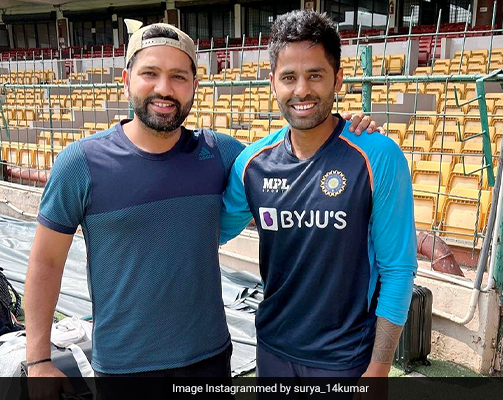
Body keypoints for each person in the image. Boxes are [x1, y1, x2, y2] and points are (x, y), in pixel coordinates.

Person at [24, 20, 378, 394]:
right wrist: (39, 361)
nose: (164, 88)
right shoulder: (80, 164)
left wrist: (347, 130)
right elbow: (46, 262)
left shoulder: (221, 154)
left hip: (208, 361)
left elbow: (292, 164)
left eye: (178, 77)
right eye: (150, 74)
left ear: (195, 85)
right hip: (123, 367)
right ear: (126, 81)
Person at [221, 10, 418, 380]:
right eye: (289, 77)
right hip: (273, 351)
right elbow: (210, 231)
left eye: (315, 75)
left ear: (337, 79)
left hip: (346, 359)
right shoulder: (252, 164)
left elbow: (398, 269)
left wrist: (379, 368)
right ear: (272, 83)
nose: (301, 91)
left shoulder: (377, 156)